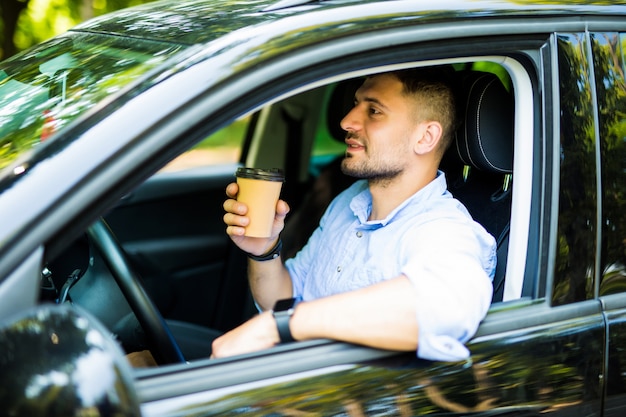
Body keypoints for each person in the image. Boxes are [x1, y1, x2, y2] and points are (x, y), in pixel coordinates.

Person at [213, 67, 497, 361]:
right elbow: (285, 299)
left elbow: (443, 306)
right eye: (355, 104)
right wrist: (265, 251)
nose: (346, 122)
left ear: (425, 137)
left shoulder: (443, 229)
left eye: (374, 111)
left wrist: (276, 328)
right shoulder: (349, 202)